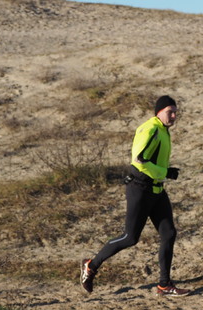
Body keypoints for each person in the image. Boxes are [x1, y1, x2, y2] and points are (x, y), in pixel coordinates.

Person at [80, 95, 190, 296]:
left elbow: (152, 160)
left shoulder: (163, 130)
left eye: (175, 112)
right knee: (130, 237)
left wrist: (165, 173)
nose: (174, 116)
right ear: (158, 112)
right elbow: (139, 161)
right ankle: (91, 265)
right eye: (169, 112)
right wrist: (165, 172)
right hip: (140, 189)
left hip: (157, 189)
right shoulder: (151, 129)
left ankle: (164, 285)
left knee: (168, 234)